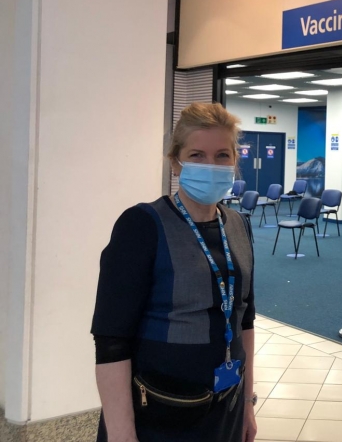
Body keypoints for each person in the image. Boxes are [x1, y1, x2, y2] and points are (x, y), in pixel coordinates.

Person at [91, 103, 258, 442]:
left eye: (222, 155)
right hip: (160, 411)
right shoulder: (142, 225)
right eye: (197, 154)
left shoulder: (238, 225)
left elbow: (245, 319)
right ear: (176, 161)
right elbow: (111, 340)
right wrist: (122, 435)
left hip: (225, 406)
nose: (210, 165)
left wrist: (247, 404)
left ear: (234, 161)